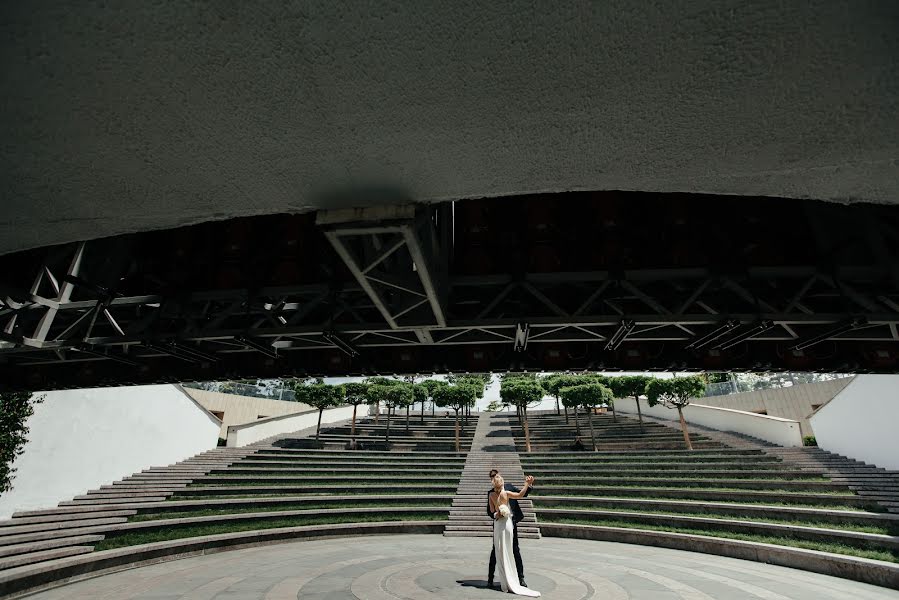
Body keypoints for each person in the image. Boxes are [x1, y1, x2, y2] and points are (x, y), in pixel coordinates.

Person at [487, 470, 539, 595]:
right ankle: (490, 578)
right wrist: (497, 514)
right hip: (501, 523)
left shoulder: (508, 488)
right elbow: (490, 512)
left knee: (514, 549)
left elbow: (523, 495)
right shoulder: (491, 494)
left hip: (509, 522)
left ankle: (520, 578)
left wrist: (529, 485)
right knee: (496, 551)